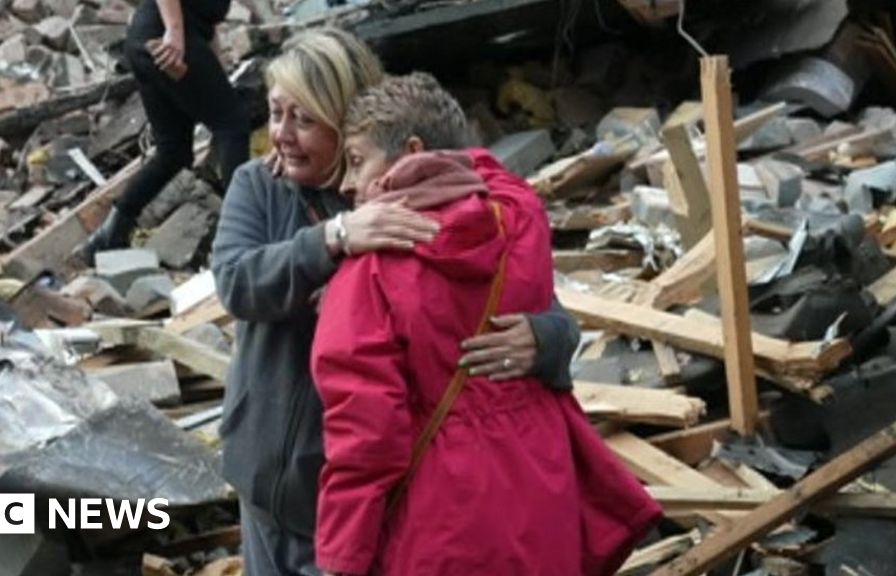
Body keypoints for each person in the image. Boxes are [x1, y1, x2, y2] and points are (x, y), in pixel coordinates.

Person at [211, 29, 581, 575]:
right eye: (275, 114)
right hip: (263, 479)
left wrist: (549, 338)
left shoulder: (415, 204)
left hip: (350, 503)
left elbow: (519, 296)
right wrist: (332, 238)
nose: (281, 136)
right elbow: (237, 281)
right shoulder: (260, 186)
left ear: (347, 120)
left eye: (304, 120)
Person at [311, 72, 662, 576]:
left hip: (442, 522)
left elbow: (367, 434)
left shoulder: (370, 271)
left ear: (411, 152)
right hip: (543, 494)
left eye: (358, 161)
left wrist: (341, 558)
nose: (346, 183)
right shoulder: (519, 220)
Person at [74, 0, 269, 264]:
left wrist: (219, 73)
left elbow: (206, 27)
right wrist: (174, 33)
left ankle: (109, 235)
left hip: (147, 41)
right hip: (167, 41)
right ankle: (244, 231)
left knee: (173, 152)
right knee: (231, 126)